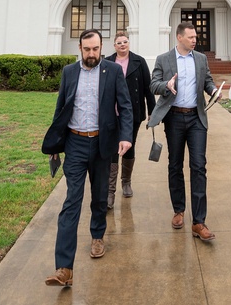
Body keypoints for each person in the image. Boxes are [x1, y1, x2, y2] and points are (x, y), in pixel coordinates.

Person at [41, 29, 134, 287]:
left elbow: (125, 107)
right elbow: (61, 108)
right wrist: (57, 144)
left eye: (95, 49)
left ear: (101, 48)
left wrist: (125, 136)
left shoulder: (113, 71)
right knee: (72, 202)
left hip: (103, 144)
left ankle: (97, 235)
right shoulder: (70, 72)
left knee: (100, 196)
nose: (91, 54)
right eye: (86, 49)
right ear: (80, 49)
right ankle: (64, 268)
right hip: (75, 143)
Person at [148, 22, 219, 241]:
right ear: (179, 38)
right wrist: (165, 86)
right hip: (174, 118)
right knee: (175, 164)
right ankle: (179, 210)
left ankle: (199, 222)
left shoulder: (200, 59)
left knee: (198, 166)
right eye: (190, 37)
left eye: (195, 37)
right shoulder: (164, 59)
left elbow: (206, 80)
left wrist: (214, 90)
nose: (194, 40)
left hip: (196, 117)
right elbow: (153, 85)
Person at [105, 31, 156, 209]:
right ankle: (109, 192)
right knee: (112, 149)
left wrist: (152, 111)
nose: (122, 45)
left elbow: (148, 88)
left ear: (129, 43)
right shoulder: (108, 62)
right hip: (111, 114)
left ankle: (126, 182)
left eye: (125, 42)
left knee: (129, 146)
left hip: (133, 113)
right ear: (114, 45)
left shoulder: (139, 61)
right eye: (119, 42)